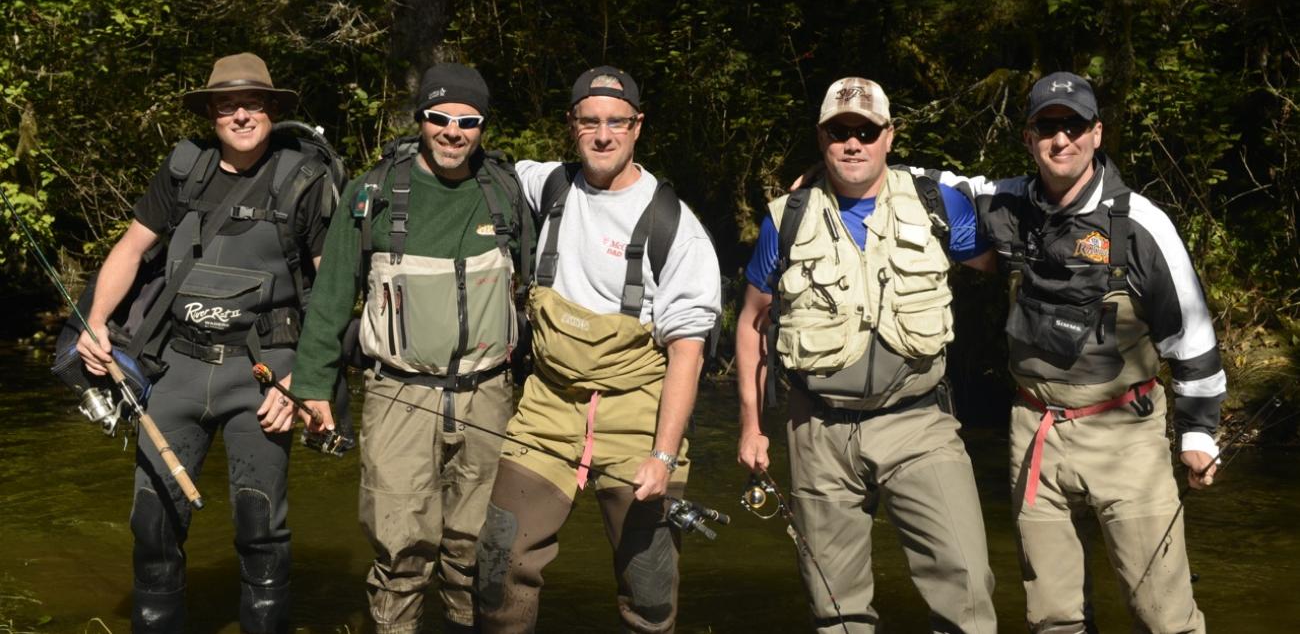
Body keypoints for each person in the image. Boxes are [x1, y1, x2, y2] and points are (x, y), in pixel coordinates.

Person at [929, 72, 1223, 633]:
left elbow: (1193, 338)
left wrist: (1198, 433)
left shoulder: (1141, 225)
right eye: (1047, 126)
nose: (1060, 139)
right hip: (1034, 430)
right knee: (1052, 616)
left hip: (1126, 438)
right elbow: (937, 187)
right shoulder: (1007, 203)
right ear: (1028, 136)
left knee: (1165, 616)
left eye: (1073, 125)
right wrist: (838, 172)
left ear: (1096, 133)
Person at [75, 52, 336, 633]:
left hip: (267, 373)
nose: (241, 115)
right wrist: (97, 319)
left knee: (259, 522)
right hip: (177, 367)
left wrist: (305, 381)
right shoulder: (183, 171)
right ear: (212, 114)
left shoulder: (306, 180)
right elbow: (131, 248)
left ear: (271, 109)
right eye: (227, 105)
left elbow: (332, 291)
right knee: (152, 525)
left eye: (252, 103)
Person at [734, 77, 998, 633]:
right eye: (839, 132)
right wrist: (752, 426)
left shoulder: (936, 203)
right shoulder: (785, 218)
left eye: (866, 131)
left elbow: (1005, 264)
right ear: (822, 138)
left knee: (968, 584)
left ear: (888, 136)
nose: (853, 144)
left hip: (920, 420)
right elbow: (752, 320)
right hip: (818, 431)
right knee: (836, 605)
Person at [474, 66, 722, 633]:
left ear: (638, 127)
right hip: (547, 405)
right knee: (498, 562)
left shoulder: (675, 226)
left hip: (639, 412)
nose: (603, 135)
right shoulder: (548, 184)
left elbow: (688, 352)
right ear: (572, 126)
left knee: (650, 588)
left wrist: (662, 456)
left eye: (617, 123)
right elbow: (469, 156)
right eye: (590, 123)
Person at [291, 63, 531, 633]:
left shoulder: (504, 192)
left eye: (468, 121)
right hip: (398, 393)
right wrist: (312, 388)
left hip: (490, 394)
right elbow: (331, 297)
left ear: (482, 126)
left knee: (476, 554)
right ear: (421, 119)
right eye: (439, 117)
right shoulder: (371, 192)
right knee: (400, 551)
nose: (453, 131)